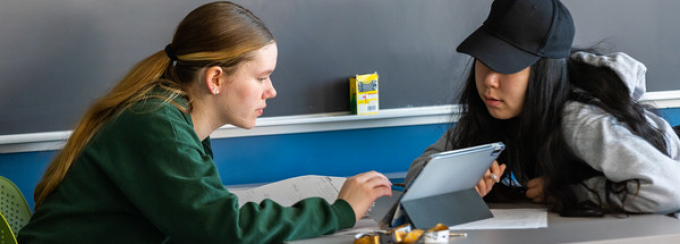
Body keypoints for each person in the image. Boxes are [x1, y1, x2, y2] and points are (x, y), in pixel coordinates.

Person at [18, 2, 392, 243]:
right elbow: (222, 229)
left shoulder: (172, 118)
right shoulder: (153, 122)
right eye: (262, 77)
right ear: (215, 79)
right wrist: (339, 211)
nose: (271, 91)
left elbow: (205, 220)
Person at [405, 0, 680, 216]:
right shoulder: (492, 113)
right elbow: (417, 174)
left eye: (508, 67)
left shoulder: (580, 120)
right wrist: (457, 180)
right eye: (485, 60)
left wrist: (572, 192)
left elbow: (669, 189)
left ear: (543, 75)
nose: (490, 80)